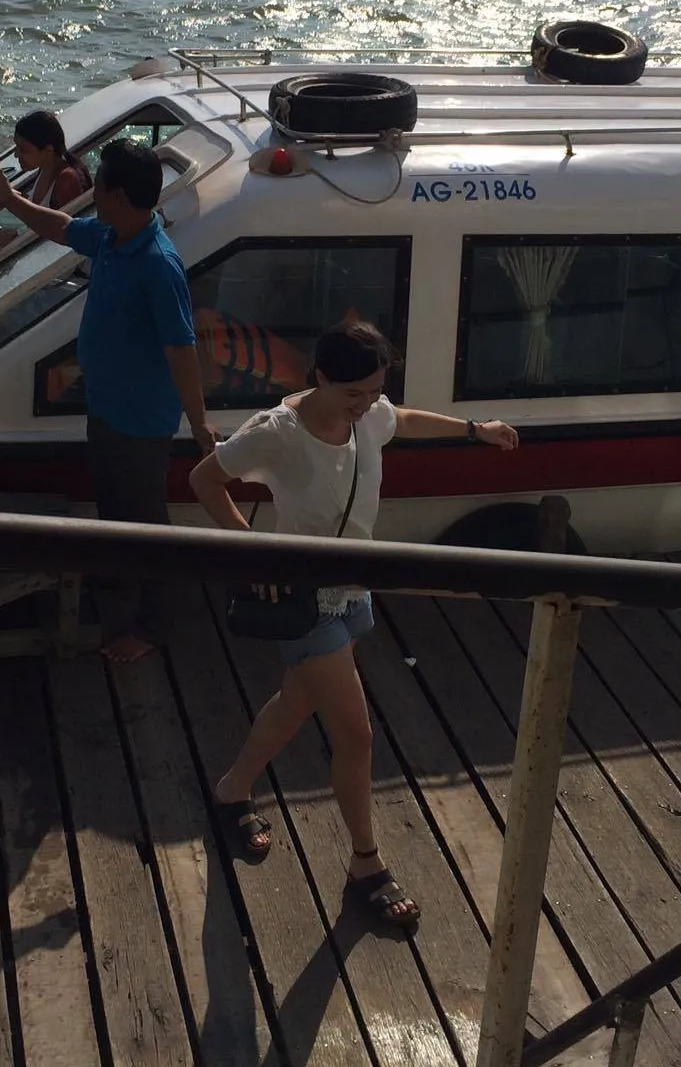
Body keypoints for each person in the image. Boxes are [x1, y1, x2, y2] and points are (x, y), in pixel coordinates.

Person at [189, 321, 519, 931]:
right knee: (356, 735)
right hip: (304, 595)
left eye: (373, 392)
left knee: (295, 702)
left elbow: (404, 419)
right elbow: (204, 479)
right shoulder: (278, 432)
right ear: (320, 377)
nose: (366, 405)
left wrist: (476, 429)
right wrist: (253, 548)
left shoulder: (368, 414)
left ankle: (231, 790)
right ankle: (366, 866)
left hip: (351, 587)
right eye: (353, 394)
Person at [0, 137, 215, 662]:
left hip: (140, 423)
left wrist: (198, 423)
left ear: (119, 195)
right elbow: (59, 227)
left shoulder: (158, 264)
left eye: (99, 184)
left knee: (145, 524)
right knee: (114, 508)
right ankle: (119, 590)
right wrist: (9, 199)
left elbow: (182, 349)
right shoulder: (111, 236)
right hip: (105, 408)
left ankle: (155, 626)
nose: (92, 189)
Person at [0, 110, 88, 255]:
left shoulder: (67, 180)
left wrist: (16, 237)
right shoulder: (45, 168)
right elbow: (43, 209)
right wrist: (4, 196)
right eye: (16, 147)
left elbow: (65, 237)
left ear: (48, 150)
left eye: (23, 150)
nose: (16, 155)